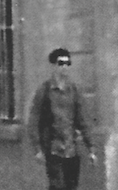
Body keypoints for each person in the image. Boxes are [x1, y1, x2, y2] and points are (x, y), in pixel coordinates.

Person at [28, 47, 96, 190]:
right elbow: (34, 119)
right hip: (53, 148)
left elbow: (83, 119)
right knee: (57, 186)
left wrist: (91, 148)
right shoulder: (44, 90)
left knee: (71, 186)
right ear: (53, 65)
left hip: (71, 149)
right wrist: (37, 148)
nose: (64, 67)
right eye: (61, 63)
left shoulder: (74, 90)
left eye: (67, 63)